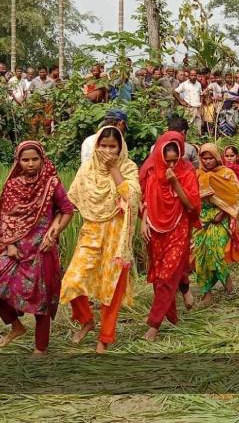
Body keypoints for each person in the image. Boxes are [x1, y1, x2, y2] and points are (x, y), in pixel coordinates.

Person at [0, 141, 74, 354]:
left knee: (41, 300)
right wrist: (11, 244)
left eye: (35, 159)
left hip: (42, 249)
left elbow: (67, 210)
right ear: (18, 161)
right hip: (17, 251)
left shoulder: (51, 183)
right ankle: (16, 326)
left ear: (42, 159)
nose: (30, 164)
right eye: (25, 160)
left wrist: (54, 231)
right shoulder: (13, 185)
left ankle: (40, 348)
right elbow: (6, 217)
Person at [61, 126, 141, 353]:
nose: (107, 150)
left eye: (112, 146)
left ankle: (104, 338)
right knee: (72, 282)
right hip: (92, 233)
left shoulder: (128, 167)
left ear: (120, 148)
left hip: (117, 237)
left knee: (111, 288)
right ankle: (86, 320)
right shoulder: (87, 170)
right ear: (96, 146)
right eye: (103, 146)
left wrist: (114, 168)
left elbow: (130, 197)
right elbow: (72, 200)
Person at [140, 132, 201, 342]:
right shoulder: (151, 171)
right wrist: (143, 220)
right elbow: (145, 199)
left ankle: (154, 325)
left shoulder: (187, 172)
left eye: (176, 159)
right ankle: (182, 289)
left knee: (167, 275)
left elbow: (191, 205)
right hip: (156, 228)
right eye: (168, 160)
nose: (172, 164)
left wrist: (175, 183)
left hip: (179, 227)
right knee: (161, 274)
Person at [194, 144, 239, 305]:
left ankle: (228, 283)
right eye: (205, 158)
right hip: (202, 220)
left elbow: (235, 196)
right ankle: (206, 293)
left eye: (211, 158)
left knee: (216, 251)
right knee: (200, 256)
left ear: (217, 157)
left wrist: (222, 213)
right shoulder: (197, 174)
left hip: (220, 219)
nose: (208, 161)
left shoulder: (227, 174)